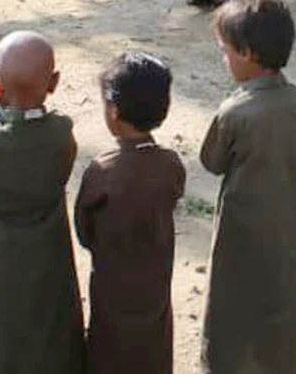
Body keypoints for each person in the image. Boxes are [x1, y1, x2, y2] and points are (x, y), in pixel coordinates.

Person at [0, 30, 85, 373]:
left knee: (1, 335)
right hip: (50, 262)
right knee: (53, 331)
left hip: (1, 268)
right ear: (53, 82)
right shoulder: (60, 134)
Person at [200, 0, 296, 373]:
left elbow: (212, 161)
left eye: (225, 50)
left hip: (240, 227)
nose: (224, 59)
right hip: (286, 222)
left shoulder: (236, 110)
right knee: (282, 303)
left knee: (230, 306)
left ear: (248, 53)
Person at [75, 53, 185, 374]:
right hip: (155, 282)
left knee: (109, 348)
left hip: (113, 284)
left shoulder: (103, 170)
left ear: (113, 111)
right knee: (155, 343)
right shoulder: (171, 164)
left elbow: (84, 230)